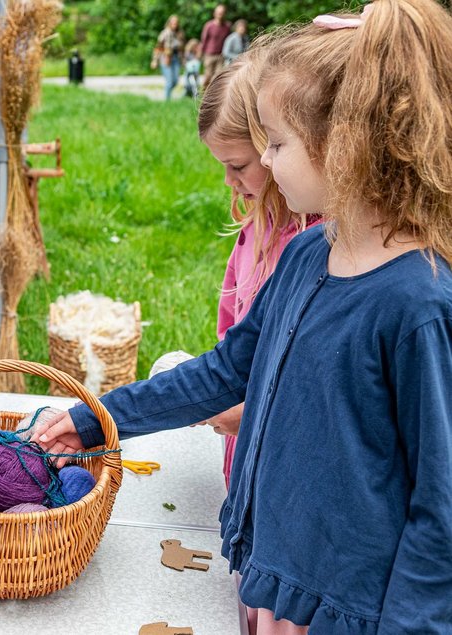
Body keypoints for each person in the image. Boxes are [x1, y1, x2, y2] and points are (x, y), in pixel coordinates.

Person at [34, 1, 452, 631]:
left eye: (277, 143)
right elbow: (224, 372)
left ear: (347, 145)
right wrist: (95, 419)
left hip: (346, 613)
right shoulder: (309, 255)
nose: (269, 162)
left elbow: (440, 511)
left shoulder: (419, 305)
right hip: (279, 581)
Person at [197, 49, 321, 494]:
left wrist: (253, 411)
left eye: (238, 166)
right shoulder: (253, 231)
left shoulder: (323, 244)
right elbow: (231, 337)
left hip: (293, 468)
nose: (229, 181)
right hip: (244, 457)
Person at [152, 15, 185, 101]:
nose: (175, 24)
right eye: (173, 23)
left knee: (175, 81)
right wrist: (155, 60)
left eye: (176, 23)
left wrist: (183, 60)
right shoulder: (164, 33)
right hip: (166, 58)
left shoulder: (180, 34)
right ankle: (167, 100)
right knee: (169, 81)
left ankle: (167, 93)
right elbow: (158, 47)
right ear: (169, 23)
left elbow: (182, 49)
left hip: (176, 58)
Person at [200, 4, 232, 89]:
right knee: (208, 76)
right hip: (209, 55)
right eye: (219, 12)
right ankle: (203, 93)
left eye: (222, 13)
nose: (220, 14)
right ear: (215, 13)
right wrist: (202, 54)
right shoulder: (209, 25)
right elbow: (204, 40)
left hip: (221, 55)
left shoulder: (227, 26)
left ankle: (213, 95)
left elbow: (229, 40)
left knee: (217, 77)